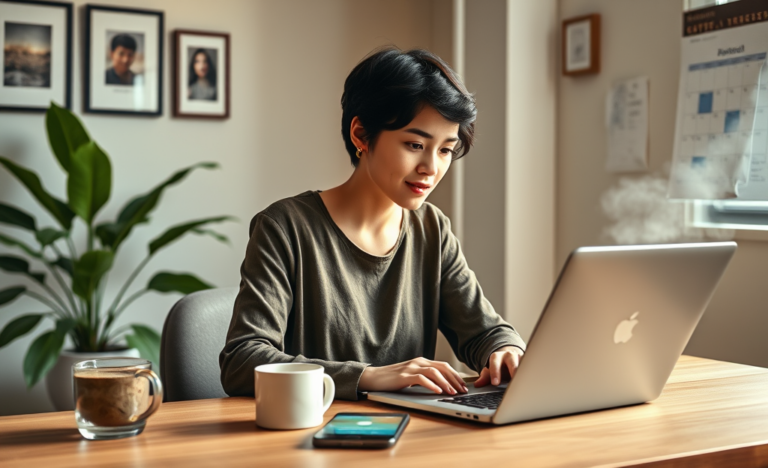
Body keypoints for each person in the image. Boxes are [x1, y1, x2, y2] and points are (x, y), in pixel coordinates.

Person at [219, 47, 526, 401]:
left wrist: (506, 350)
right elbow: (243, 360)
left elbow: (485, 331)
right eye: (415, 144)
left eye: (445, 150)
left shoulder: (432, 229)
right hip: (317, 430)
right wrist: (368, 376)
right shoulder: (285, 228)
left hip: (412, 428)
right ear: (361, 135)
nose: (431, 168)